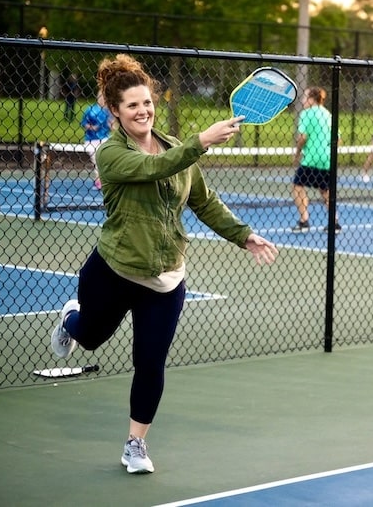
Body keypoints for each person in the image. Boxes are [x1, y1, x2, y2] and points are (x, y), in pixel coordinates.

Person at [49, 54, 279, 474]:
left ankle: (135, 444)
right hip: (113, 271)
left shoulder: (175, 148)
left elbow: (203, 201)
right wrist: (202, 141)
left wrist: (243, 234)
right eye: (132, 105)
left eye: (147, 103)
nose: (143, 111)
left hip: (167, 278)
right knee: (92, 336)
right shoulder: (110, 153)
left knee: (150, 362)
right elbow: (153, 169)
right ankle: (70, 321)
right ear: (115, 111)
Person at [291, 86, 341, 233]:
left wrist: (297, 153)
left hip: (311, 159)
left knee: (297, 186)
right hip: (327, 159)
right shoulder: (328, 115)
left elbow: (302, 137)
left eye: (305, 97)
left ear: (312, 99)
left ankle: (304, 220)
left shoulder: (306, 114)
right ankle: (335, 223)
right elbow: (337, 139)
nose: (303, 100)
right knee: (325, 190)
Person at [80, 90, 114, 189]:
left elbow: (111, 126)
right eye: (101, 97)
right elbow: (84, 123)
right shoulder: (90, 109)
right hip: (91, 139)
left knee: (105, 160)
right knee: (96, 161)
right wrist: (91, 127)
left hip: (104, 139)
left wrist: (112, 124)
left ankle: (104, 180)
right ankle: (99, 180)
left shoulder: (108, 111)